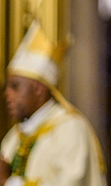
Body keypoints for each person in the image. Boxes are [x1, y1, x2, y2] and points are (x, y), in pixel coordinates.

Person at [0, 21, 105, 186]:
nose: (7, 94)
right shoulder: (16, 135)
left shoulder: (71, 129)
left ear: (39, 89)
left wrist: (8, 182)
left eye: (15, 87)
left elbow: (69, 182)